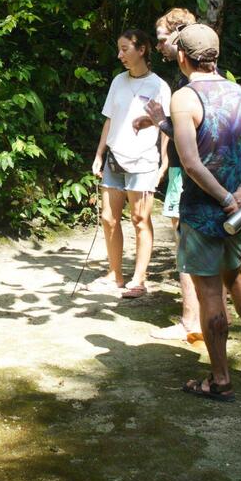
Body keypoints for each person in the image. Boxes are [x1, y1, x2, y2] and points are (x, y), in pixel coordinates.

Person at [140, 23, 241, 399]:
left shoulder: (185, 97)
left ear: (182, 56)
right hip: (235, 213)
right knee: (235, 276)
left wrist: (225, 200)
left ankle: (219, 379)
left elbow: (192, 161)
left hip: (204, 211)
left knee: (209, 291)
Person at [90, 29, 170, 298]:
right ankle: (115, 275)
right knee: (108, 218)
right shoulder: (118, 82)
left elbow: (166, 127)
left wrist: (164, 163)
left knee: (139, 218)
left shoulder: (159, 86)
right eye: (119, 49)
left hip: (144, 161)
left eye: (125, 49)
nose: (120, 55)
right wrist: (99, 154)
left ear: (142, 50)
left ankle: (139, 279)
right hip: (115, 157)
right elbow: (109, 119)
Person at [147, 8, 203, 342]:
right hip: (193, 173)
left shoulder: (188, 83)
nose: (160, 47)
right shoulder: (211, 77)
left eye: (162, 39)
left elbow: (188, 133)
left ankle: (190, 322)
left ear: (180, 36)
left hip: (188, 174)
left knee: (185, 245)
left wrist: (158, 120)